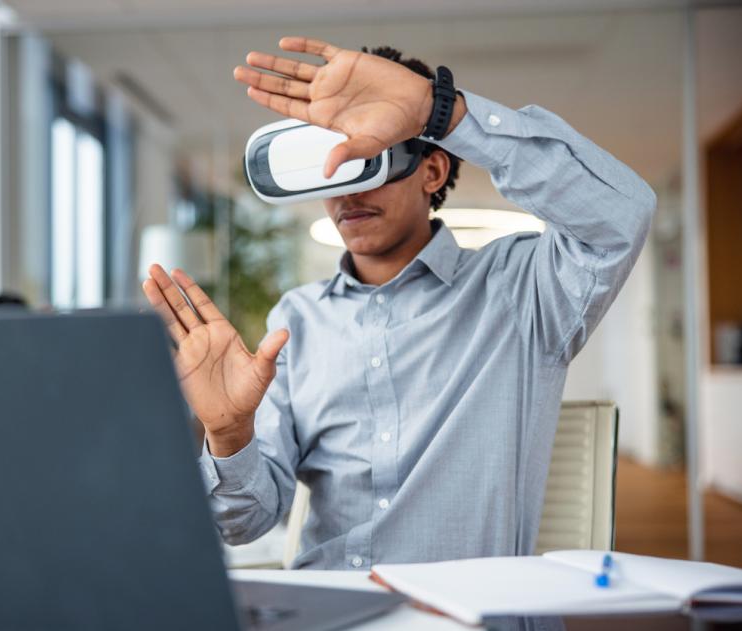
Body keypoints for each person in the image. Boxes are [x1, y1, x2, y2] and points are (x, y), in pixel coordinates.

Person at [142, 37, 656, 570]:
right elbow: (246, 523)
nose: (347, 188)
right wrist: (228, 434)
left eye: (367, 159)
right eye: (332, 162)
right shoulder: (297, 320)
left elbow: (622, 216)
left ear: (431, 172)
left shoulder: (522, 289)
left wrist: (442, 111)